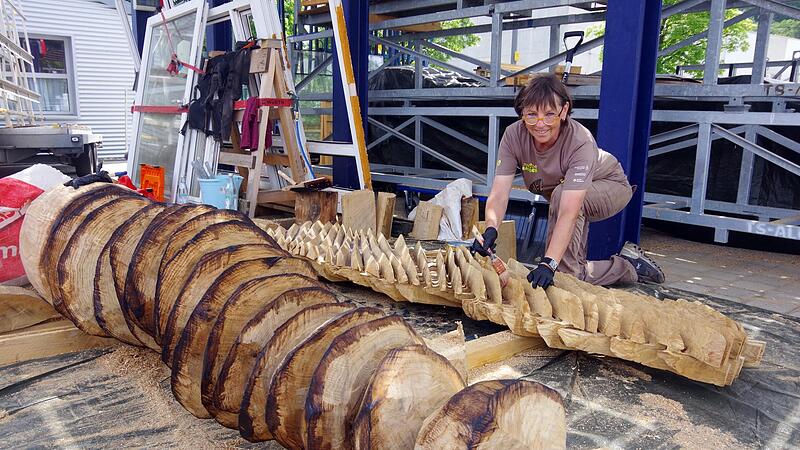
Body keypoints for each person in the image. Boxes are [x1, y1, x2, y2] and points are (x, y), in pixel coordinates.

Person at [471, 73, 664, 289]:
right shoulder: (513, 135)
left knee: (563, 274)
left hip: (609, 185)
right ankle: (579, 270)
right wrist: (490, 229)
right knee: (567, 272)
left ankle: (628, 267)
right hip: (565, 194)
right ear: (521, 114)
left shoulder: (580, 141)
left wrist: (548, 263)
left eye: (550, 114)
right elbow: (499, 193)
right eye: (531, 115)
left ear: (564, 111)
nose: (540, 124)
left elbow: (568, 211)